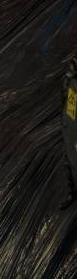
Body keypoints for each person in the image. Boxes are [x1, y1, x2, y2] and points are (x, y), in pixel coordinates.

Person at [60, 56, 77, 210]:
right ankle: (72, 192)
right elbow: (66, 101)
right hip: (70, 126)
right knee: (68, 160)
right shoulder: (70, 82)